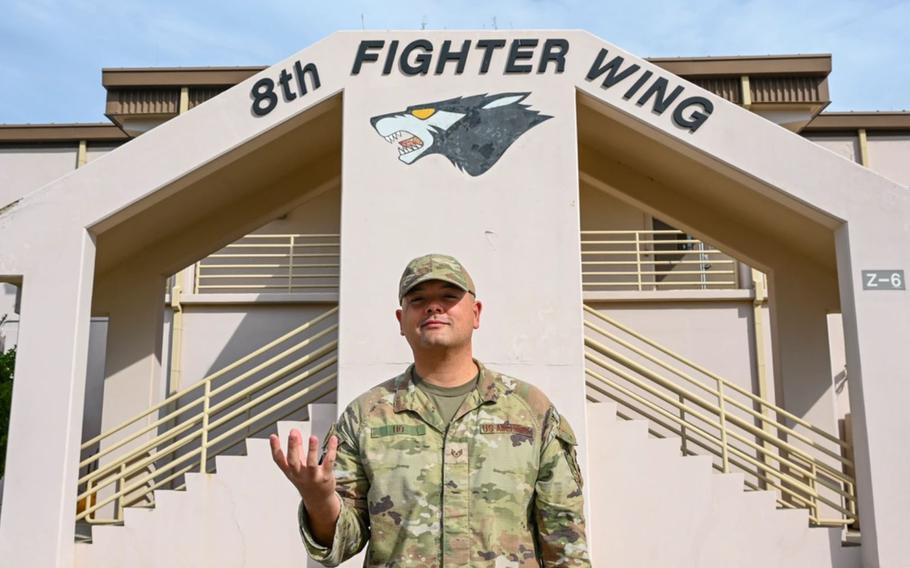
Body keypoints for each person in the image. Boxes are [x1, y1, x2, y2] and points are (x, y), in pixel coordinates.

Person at [269, 254, 590, 567]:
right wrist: (319, 500)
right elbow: (342, 544)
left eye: (448, 296)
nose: (433, 307)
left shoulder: (530, 409)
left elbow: (564, 535)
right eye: (418, 299)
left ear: (476, 313)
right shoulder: (365, 416)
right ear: (401, 320)